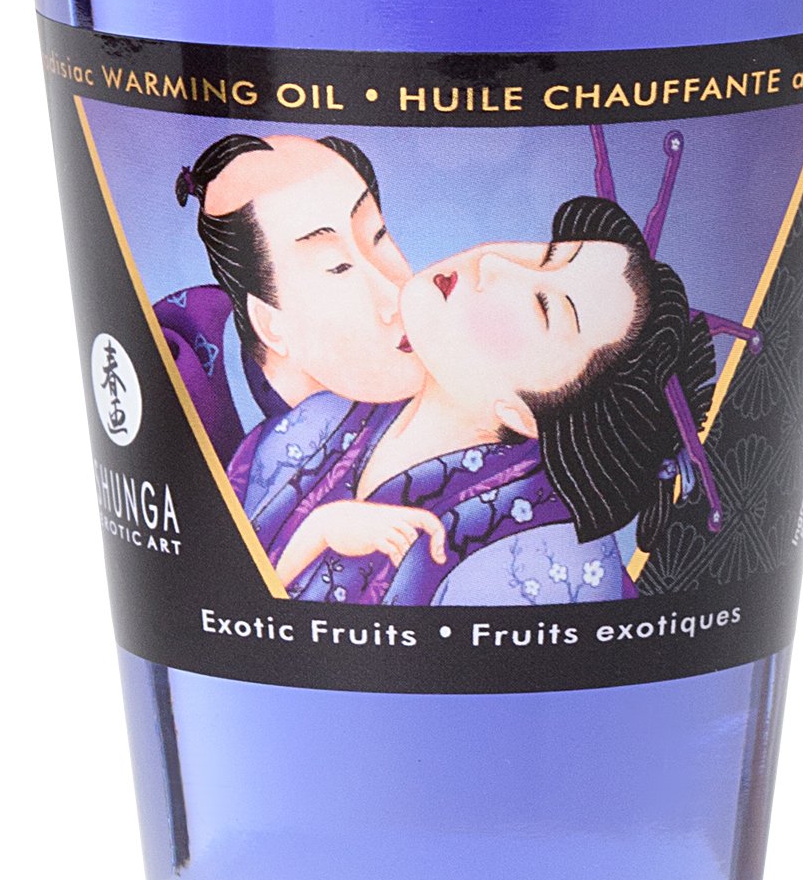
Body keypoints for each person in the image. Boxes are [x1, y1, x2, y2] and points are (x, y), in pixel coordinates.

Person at [235, 195, 716, 606]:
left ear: (526, 414)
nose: (494, 263)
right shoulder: (322, 420)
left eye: (544, 305)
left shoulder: (544, 556)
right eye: (547, 255)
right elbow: (219, 611)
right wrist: (318, 532)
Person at [170, 132, 422, 416]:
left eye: (378, 235)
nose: (397, 297)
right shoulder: (187, 394)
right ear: (269, 324)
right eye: (337, 265)